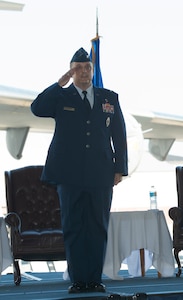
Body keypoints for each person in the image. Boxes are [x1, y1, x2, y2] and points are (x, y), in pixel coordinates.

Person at [31, 48, 128, 293]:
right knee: (73, 226)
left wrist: (120, 169)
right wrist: (59, 83)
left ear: (92, 71)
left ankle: (94, 279)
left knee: (97, 226)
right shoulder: (61, 97)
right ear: (72, 70)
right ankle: (78, 280)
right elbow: (37, 108)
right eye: (78, 68)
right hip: (69, 174)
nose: (83, 72)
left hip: (100, 173)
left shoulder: (109, 98)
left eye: (87, 68)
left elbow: (119, 135)